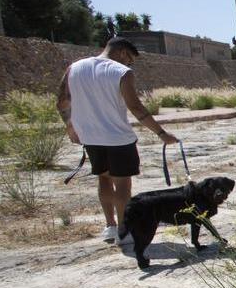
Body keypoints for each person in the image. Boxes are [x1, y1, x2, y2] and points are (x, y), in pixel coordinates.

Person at [55, 37, 178, 244]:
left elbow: (62, 102)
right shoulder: (121, 72)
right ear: (122, 52)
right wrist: (161, 133)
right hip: (118, 138)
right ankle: (124, 230)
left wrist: (70, 126)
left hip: (91, 137)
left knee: (104, 179)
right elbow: (136, 108)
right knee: (123, 185)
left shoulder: (74, 68)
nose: (128, 64)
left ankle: (110, 227)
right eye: (129, 59)